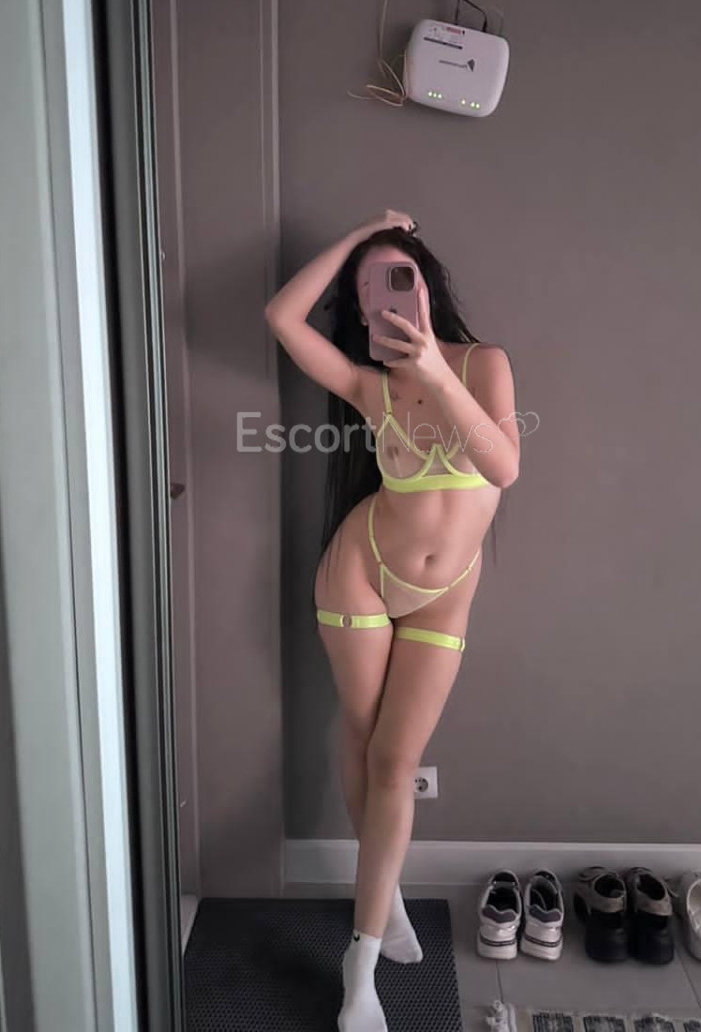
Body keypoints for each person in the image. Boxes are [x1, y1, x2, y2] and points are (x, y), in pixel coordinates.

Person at [265, 210, 520, 1031]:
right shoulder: (368, 386)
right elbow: (281, 318)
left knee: (395, 759)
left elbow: (503, 466)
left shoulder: (483, 364)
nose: (384, 300)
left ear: (427, 286)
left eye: (397, 280)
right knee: (366, 740)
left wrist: (437, 371)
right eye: (367, 291)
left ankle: (377, 906)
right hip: (361, 574)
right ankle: (365, 960)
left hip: (446, 593)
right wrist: (362, 234)